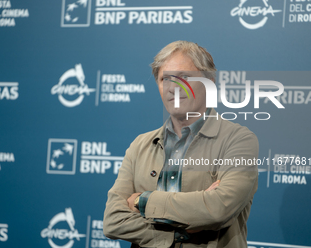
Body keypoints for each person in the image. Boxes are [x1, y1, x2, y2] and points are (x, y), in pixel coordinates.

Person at [103, 41, 258, 248]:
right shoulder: (140, 145)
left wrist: (143, 201)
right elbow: (113, 221)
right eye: (165, 79)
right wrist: (183, 229)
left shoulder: (238, 140)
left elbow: (219, 209)